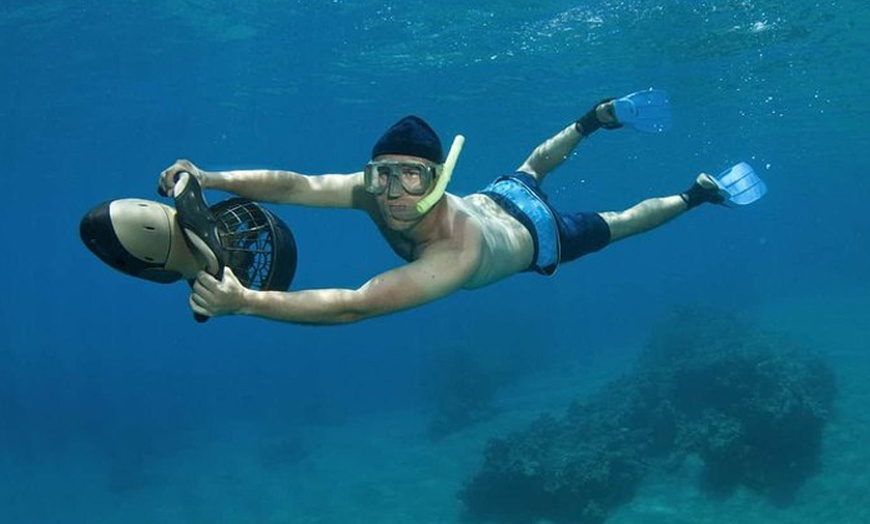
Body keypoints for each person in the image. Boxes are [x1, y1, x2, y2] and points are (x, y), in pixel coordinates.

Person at [158, 95, 737, 325]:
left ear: (437, 179)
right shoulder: (377, 192)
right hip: (493, 196)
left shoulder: (455, 255)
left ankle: (696, 194)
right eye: (381, 173)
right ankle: (591, 120)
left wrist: (247, 301)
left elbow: (353, 306)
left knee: (621, 223)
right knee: (532, 166)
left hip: (537, 234)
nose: (392, 192)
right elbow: (297, 184)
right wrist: (209, 175)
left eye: (411, 175)